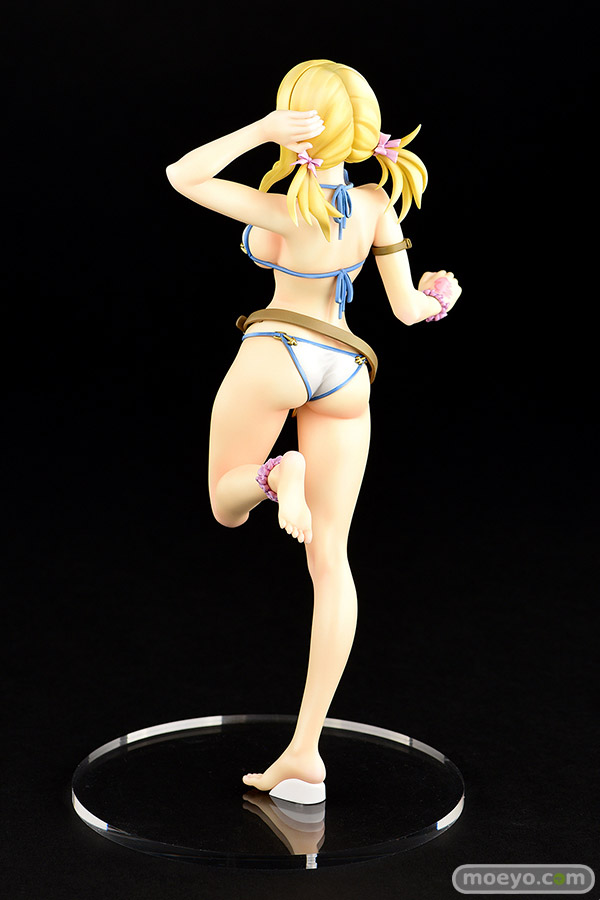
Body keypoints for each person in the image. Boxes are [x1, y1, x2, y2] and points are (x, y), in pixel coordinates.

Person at [166, 59, 461, 804]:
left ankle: (275, 475)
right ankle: (304, 750)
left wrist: (260, 131)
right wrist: (439, 297)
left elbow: (183, 175)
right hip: (347, 371)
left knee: (226, 503)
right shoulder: (375, 206)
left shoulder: (284, 208)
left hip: (279, 351)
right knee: (332, 561)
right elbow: (407, 312)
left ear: (298, 120)